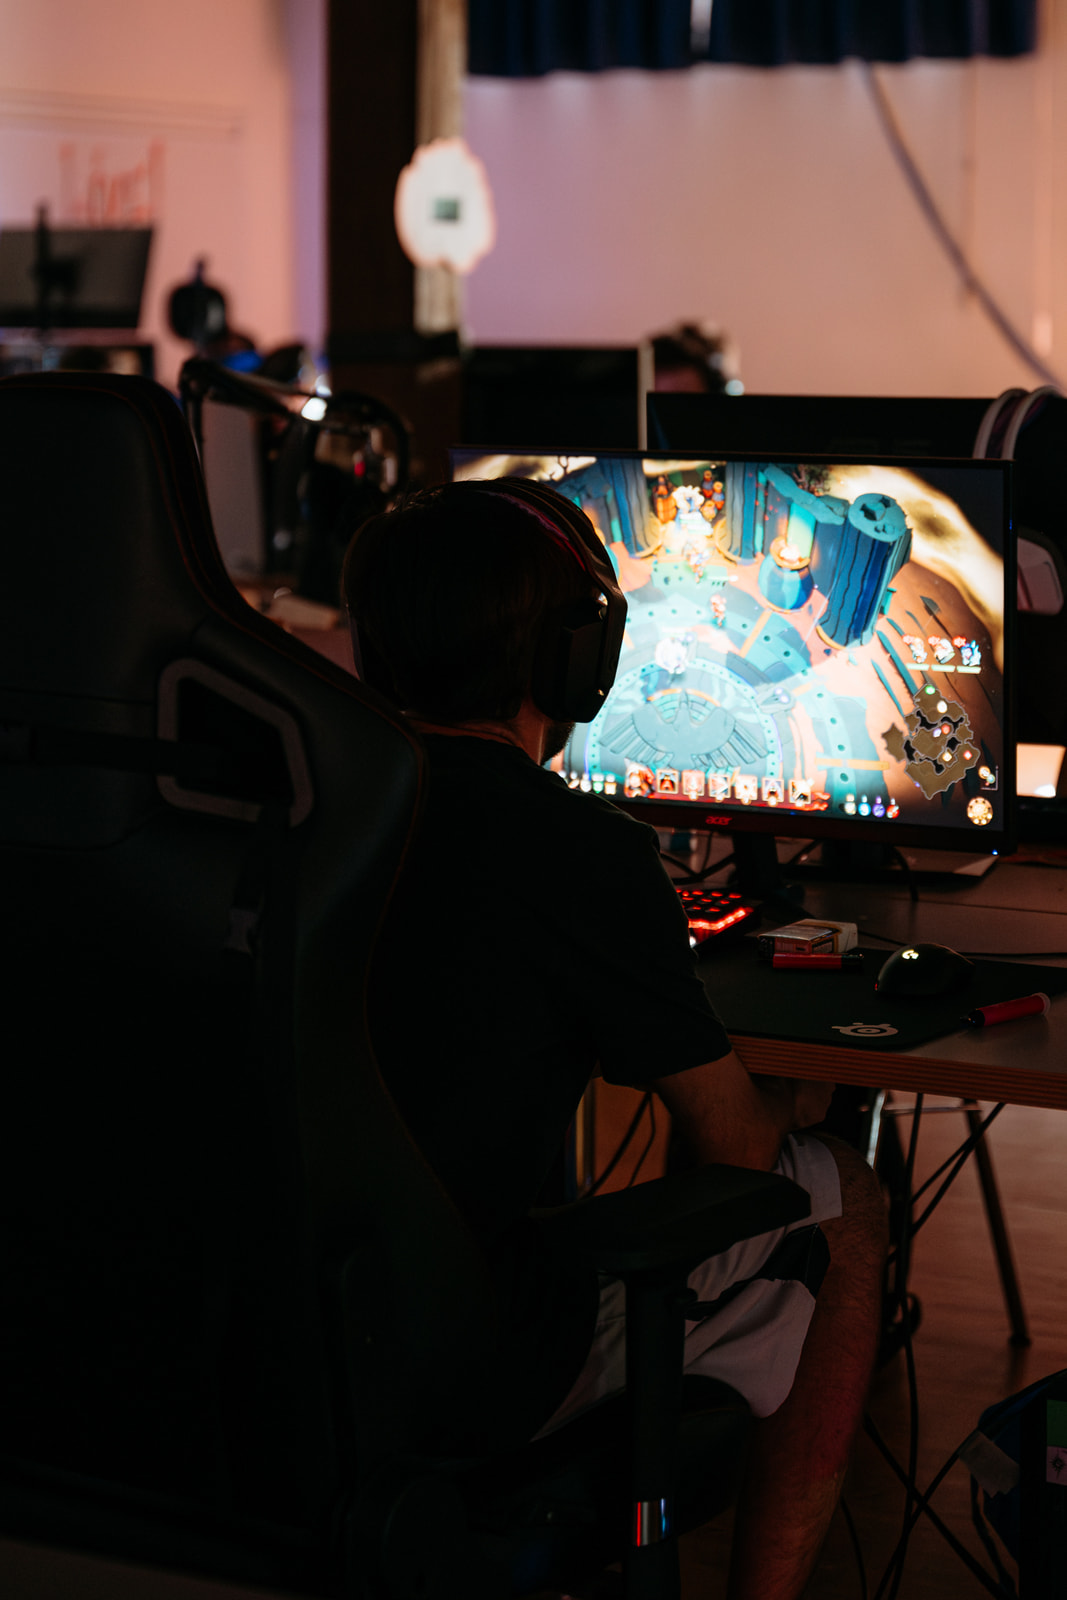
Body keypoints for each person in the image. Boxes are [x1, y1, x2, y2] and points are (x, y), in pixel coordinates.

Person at [342, 477, 886, 1600]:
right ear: (577, 663)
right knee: (842, 1193)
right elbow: (736, 1152)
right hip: (460, 1363)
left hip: (279, 1323)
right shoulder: (577, 849)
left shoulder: (301, 801)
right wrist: (798, 1089)